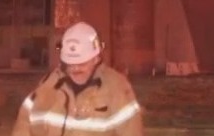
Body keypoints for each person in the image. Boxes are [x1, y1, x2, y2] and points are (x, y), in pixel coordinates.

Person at [12, 21, 143, 135]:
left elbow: (131, 131)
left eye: (82, 63)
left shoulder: (116, 88)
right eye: (71, 64)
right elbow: (25, 126)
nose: (75, 69)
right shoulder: (48, 86)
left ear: (96, 58)